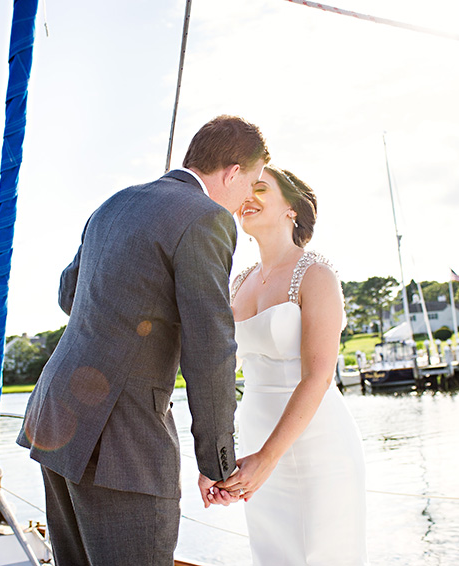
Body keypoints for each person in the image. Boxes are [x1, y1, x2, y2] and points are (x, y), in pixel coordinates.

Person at [16, 115, 270, 566]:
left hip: (55, 421)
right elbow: (210, 347)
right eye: (250, 182)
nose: (247, 197)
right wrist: (217, 462)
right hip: (120, 439)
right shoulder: (207, 218)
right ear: (232, 172)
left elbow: (68, 295)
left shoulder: (113, 204)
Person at [221, 165, 368, 565]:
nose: (247, 196)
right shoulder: (238, 283)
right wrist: (214, 458)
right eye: (244, 189)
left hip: (317, 445)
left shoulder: (317, 276)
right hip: (254, 439)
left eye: (261, 188)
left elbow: (319, 377)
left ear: (292, 209)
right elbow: (221, 375)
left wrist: (267, 458)